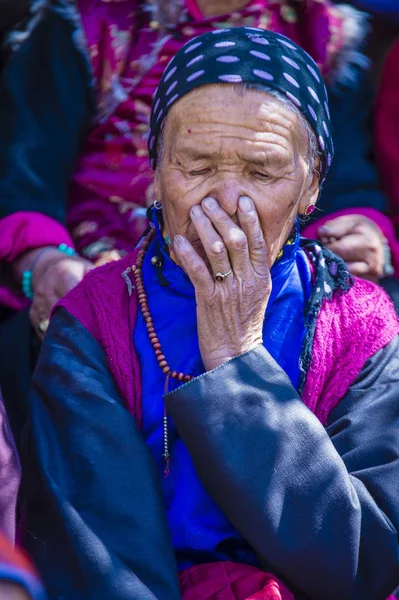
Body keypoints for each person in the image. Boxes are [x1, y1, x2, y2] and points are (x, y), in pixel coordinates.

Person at [24, 28, 399, 600]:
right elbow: (102, 563)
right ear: (154, 174)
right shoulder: (94, 321)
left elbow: (359, 566)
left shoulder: (361, 327)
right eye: (196, 167)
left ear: (312, 186)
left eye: (262, 172)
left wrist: (237, 356)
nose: (227, 202)